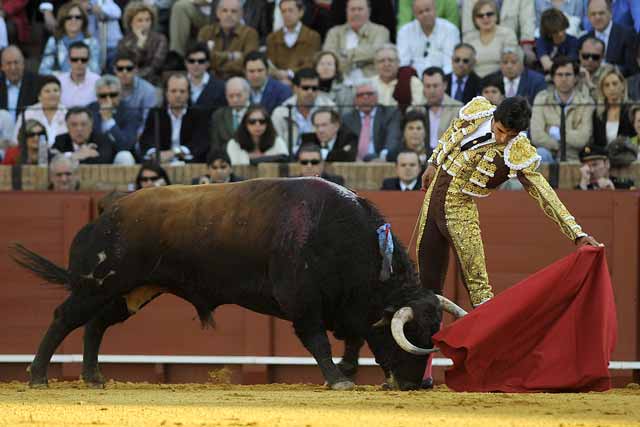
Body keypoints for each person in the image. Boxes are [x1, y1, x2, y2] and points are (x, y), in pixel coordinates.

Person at [417, 94, 601, 318]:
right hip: (431, 203)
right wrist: (433, 162)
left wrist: (576, 233)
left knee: (479, 288)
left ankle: (491, 347)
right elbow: (453, 131)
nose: (503, 139)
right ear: (494, 117)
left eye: (510, 135)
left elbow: (543, 191)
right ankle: (422, 350)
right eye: (500, 130)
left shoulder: (518, 149)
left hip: (460, 213)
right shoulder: (478, 110)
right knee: (427, 284)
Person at [531, 56, 594, 162]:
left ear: (576, 78)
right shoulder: (541, 99)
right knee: (540, 153)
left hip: (575, 156)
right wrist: (559, 145)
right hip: (549, 152)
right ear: (553, 77)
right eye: (560, 75)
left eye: (568, 74)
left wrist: (554, 131)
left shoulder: (586, 102)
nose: (564, 79)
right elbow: (536, 136)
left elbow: (583, 139)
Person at [139, 73, 211, 163]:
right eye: (173, 91)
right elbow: (147, 139)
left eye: (182, 91)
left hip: (189, 164)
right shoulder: (156, 113)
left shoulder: (198, 114)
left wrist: (175, 152)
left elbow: (201, 143)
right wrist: (155, 154)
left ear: (188, 93)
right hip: (161, 163)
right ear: (166, 93)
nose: (178, 95)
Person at [323, 0, 390, 82]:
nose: (356, 13)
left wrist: (344, 53)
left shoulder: (381, 31)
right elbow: (328, 57)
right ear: (346, 12)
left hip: (371, 82)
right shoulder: (334, 32)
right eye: (352, 9)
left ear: (369, 12)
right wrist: (364, 57)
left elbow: (376, 52)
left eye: (360, 9)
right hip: (340, 82)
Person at [271, 67, 335, 150]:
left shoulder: (330, 109)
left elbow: (334, 141)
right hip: (289, 159)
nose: (310, 92)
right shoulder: (281, 112)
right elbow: (276, 144)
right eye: (305, 88)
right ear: (295, 89)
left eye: (314, 88)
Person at [341, 78, 401, 162]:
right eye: (360, 95)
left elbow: (392, 139)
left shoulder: (390, 113)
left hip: (381, 161)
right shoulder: (347, 118)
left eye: (369, 94)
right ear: (355, 100)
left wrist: (382, 157)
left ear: (377, 97)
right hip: (354, 162)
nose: (365, 97)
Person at [197, 0, 260, 80]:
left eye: (234, 11)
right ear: (218, 13)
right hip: (210, 80)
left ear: (241, 15)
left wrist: (215, 61)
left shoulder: (250, 33)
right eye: (224, 10)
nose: (229, 15)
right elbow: (201, 59)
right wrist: (231, 56)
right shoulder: (206, 32)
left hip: (238, 80)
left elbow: (249, 63)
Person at [396, 0, 460, 77]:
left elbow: (450, 64)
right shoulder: (404, 32)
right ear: (415, 15)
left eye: (428, 10)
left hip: (443, 79)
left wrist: (436, 80)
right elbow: (403, 63)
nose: (425, 14)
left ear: (435, 10)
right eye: (420, 12)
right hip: (414, 81)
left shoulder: (450, 30)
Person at [87, 74, 141, 161]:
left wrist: (109, 121)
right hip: (95, 153)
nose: (108, 100)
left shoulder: (130, 112)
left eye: (113, 95)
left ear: (120, 94)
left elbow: (126, 145)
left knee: (125, 156)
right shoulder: (89, 111)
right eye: (103, 96)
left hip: (119, 154)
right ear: (97, 97)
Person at [267, 0, 322, 84]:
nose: (286, 14)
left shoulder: (312, 36)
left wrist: (289, 74)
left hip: (303, 82)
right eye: (283, 11)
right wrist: (278, 75)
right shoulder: (272, 38)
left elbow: (310, 63)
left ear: (301, 12)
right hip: (277, 82)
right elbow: (270, 64)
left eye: (290, 10)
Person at [39, 1, 100, 75]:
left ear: (83, 20)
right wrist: (65, 78)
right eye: (68, 17)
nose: (73, 20)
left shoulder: (92, 42)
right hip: (59, 84)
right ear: (62, 20)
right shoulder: (54, 41)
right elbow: (43, 71)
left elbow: (95, 71)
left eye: (78, 17)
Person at [581, 0, 638, 77]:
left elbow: (632, 68)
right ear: (588, 17)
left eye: (601, 13)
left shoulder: (627, 35)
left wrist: (610, 70)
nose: (597, 17)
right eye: (593, 14)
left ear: (610, 13)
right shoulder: (583, 39)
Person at [463, 0, 519, 78]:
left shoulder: (507, 34)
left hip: (500, 79)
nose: (485, 18)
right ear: (474, 20)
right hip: (474, 81)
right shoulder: (468, 38)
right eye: (480, 15)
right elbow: (465, 65)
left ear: (496, 16)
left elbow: (509, 63)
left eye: (489, 14)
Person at [117, 1, 168, 86]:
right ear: (131, 22)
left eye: (147, 20)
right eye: (140, 20)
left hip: (152, 83)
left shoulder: (160, 39)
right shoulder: (124, 42)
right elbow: (128, 64)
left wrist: (135, 78)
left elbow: (155, 67)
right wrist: (140, 44)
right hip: (128, 84)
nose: (144, 24)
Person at [14, 75, 68, 146]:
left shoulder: (67, 113)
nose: (52, 94)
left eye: (56, 90)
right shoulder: (28, 113)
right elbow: (16, 140)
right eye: (47, 91)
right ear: (39, 96)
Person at [113, 52, 158, 136]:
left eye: (129, 69)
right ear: (114, 70)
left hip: (140, 136)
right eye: (120, 69)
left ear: (136, 70)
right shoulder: (108, 89)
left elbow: (148, 121)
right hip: (115, 134)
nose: (124, 72)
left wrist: (135, 138)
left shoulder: (148, 91)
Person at [370, 44, 424, 108]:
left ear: (398, 63)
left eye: (391, 60)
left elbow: (419, 109)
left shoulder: (413, 83)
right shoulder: (368, 85)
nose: (387, 64)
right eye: (382, 61)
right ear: (375, 65)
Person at [592, 67, 634, 148]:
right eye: (606, 85)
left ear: (622, 85)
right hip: (604, 158)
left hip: (628, 157)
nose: (611, 88)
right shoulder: (598, 114)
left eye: (615, 83)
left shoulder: (631, 110)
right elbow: (597, 142)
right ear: (602, 90)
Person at [209, 76, 251, 151]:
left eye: (238, 95)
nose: (235, 100)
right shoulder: (219, 115)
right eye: (231, 96)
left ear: (247, 94)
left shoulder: (258, 112)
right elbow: (215, 145)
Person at [184, 42, 226, 115]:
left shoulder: (221, 87)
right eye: (191, 61)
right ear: (185, 63)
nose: (196, 64)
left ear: (208, 63)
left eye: (201, 61)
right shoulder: (176, 85)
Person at [0, 45, 40, 121]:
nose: (13, 67)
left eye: (16, 62)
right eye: (8, 63)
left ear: (23, 64)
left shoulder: (36, 83)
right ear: (2, 66)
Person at [57, 41, 101, 108]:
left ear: (89, 60)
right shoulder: (59, 81)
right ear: (68, 60)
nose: (79, 63)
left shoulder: (97, 81)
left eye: (83, 60)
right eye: (74, 59)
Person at [536, 8, 579, 73]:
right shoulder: (541, 41)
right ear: (548, 32)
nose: (560, 34)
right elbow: (546, 65)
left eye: (562, 28)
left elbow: (571, 64)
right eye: (555, 32)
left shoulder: (573, 41)